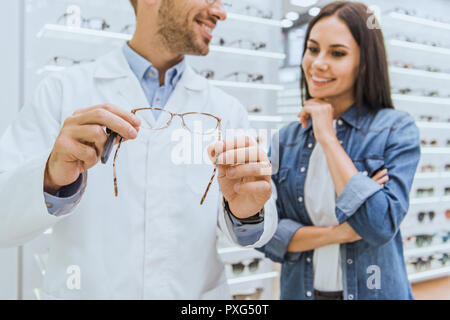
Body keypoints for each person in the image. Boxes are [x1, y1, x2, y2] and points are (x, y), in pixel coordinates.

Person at [0, 0, 277, 299]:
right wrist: (51, 177)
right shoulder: (62, 92)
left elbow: (256, 225)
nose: (220, 11)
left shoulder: (226, 110)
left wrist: (246, 214)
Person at [258, 1, 421, 300]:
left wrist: (327, 138)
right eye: (312, 48)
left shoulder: (396, 129)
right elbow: (266, 235)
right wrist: (341, 232)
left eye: (337, 53)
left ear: (364, 62)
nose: (318, 62)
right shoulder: (286, 139)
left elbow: (380, 225)